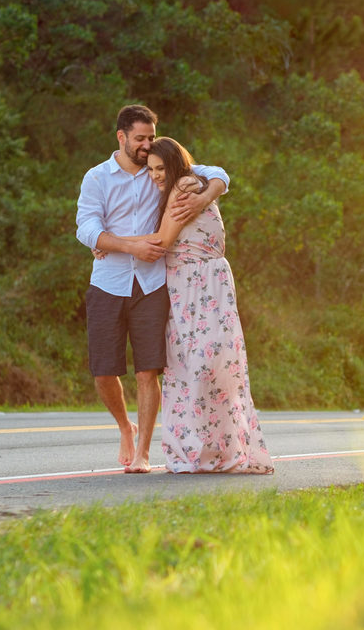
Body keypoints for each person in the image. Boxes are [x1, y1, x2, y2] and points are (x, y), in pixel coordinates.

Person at [102, 137, 274, 474]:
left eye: (159, 168)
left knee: (195, 365)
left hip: (197, 286)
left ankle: (200, 453)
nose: (155, 176)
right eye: (150, 170)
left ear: (175, 164)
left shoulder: (183, 186)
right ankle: (214, 451)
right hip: (199, 285)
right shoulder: (190, 181)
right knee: (210, 366)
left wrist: (109, 242)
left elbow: (163, 241)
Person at [76, 105, 230, 473]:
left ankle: (143, 452)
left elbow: (218, 173)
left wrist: (205, 196)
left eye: (151, 137)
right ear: (121, 137)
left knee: (148, 370)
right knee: (103, 371)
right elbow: (86, 228)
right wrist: (126, 245)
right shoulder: (97, 178)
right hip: (108, 283)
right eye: (140, 139)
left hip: (152, 284)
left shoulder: (159, 171)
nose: (147, 145)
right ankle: (124, 427)